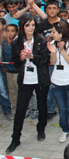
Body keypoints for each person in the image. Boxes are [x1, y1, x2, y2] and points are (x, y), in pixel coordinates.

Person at [6, 16, 50, 155]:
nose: (31, 28)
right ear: (22, 27)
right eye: (27, 25)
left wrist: (32, 57)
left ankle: (41, 129)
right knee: (20, 110)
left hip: (40, 79)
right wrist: (20, 58)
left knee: (42, 106)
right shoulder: (17, 42)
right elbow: (14, 62)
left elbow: (44, 60)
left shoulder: (41, 40)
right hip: (25, 79)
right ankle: (15, 138)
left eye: (32, 25)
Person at [47, 20, 69, 142]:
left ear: (61, 32)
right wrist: (53, 52)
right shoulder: (51, 43)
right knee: (62, 109)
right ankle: (65, 130)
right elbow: (52, 62)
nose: (52, 34)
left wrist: (61, 50)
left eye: (54, 32)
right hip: (57, 81)